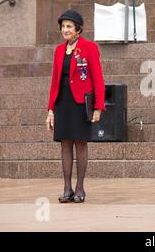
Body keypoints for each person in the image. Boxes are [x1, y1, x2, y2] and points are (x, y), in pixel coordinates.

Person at [46, 10, 105, 203]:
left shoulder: (89, 48)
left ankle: (80, 187)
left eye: (69, 26)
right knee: (64, 144)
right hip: (62, 102)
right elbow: (54, 81)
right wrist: (50, 109)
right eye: (63, 27)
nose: (65, 30)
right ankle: (66, 188)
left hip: (80, 103)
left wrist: (98, 107)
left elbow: (98, 78)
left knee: (80, 143)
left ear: (78, 29)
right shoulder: (58, 51)